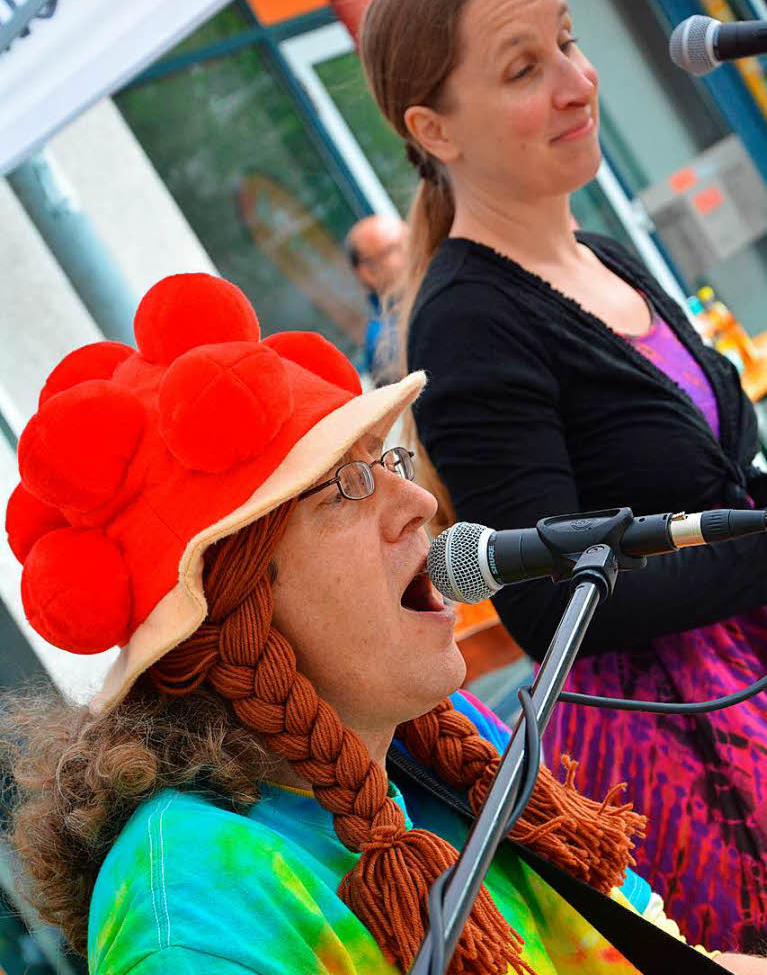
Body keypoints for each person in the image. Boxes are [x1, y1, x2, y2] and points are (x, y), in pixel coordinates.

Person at [2, 272, 758, 974]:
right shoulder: (190, 908)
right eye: (343, 489)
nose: (419, 505)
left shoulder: (437, 741)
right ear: (233, 612)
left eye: (384, 464)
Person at [359, 0, 767, 954]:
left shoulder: (602, 256)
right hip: (682, 746)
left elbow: (714, 478)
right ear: (432, 129)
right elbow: (548, 602)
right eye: (520, 67)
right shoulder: (466, 320)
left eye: (569, 43)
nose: (577, 80)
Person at [346, 214, 408, 386]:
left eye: (411, 237)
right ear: (368, 272)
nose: (413, 247)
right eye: (396, 247)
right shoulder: (387, 343)